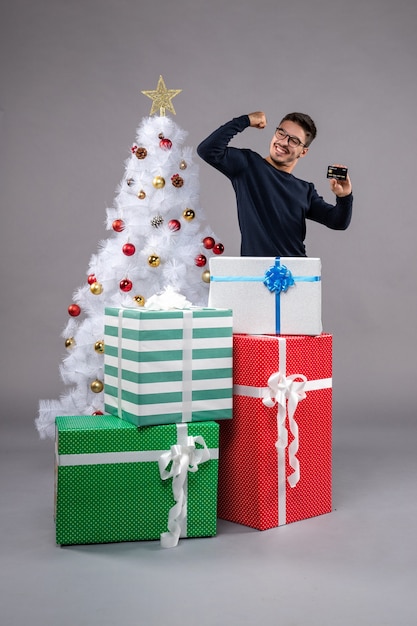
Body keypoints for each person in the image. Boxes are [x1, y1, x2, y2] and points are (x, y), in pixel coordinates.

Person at [197, 111, 353, 257]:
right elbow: (207, 150)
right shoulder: (248, 165)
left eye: (294, 141)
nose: (284, 142)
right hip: (255, 274)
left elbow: (337, 221)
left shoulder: (305, 190)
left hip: (296, 275)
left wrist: (344, 196)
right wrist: (246, 120)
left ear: (303, 152)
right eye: (281, 133)